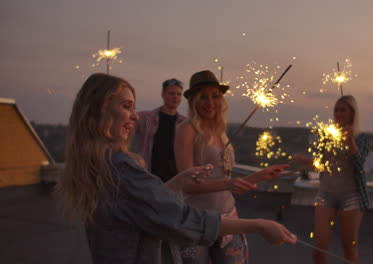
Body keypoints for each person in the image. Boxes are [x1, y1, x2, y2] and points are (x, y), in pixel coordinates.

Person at [55, 73, 296, 264]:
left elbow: (139, 204)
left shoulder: (98, 165)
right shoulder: (123, 168)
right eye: (127, 106)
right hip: (194, 222)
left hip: (215, 218)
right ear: (99, 110)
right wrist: (260, 225)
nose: (136, 117)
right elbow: (181, 218)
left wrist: (176, 183)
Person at [175, 70, 290, 264]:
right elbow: (186, 184)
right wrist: (228, 184)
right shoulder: (186, 130)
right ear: (193, 101)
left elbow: (227, 182)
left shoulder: (221, 132)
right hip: (197, 221)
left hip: (229, 219)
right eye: (203, 97)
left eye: (215, 96)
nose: (210, 102)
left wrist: (261, 176)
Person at [295, 95, 370, 264]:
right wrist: (306, 161)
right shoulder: (329, 136)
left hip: (351, 196)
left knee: (349, 248)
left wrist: (350, 140)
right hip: (326, 193)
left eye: (343, 109)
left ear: (353, 112)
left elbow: (359, 163)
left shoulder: (362, 137)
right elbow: (323, 164)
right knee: (319, 248)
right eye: (336, 110)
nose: (338, 113)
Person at [133, 78, 186, 182]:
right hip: (149, 178)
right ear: (163, 94)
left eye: (179, 94)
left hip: (175, 180)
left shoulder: (185, 123)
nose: (175, 97)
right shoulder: (145, 118)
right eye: (171, 93)